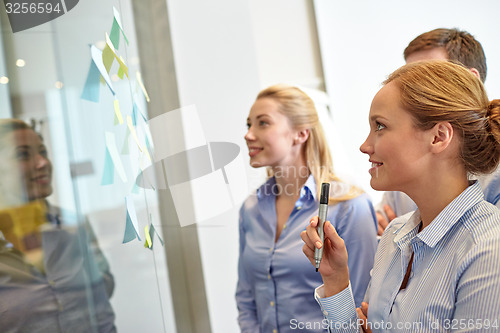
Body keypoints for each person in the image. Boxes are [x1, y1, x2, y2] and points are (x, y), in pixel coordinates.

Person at [302, 60, 500, 332]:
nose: (364, 145)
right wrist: (336, 279)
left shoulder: (488, 248)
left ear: (439, 137)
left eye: (380, 126)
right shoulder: (394, 236)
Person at [236, 84, 378, 332]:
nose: (248, 134)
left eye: (263, 123)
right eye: (249, 125)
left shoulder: (349, 207)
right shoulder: (250, 208)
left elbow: (362, 302)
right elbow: (247, 296)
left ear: (300, 134)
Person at [376, 28, 500, 236]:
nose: (412, 91)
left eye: (428, 78)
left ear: (470, 80)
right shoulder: (406, 160)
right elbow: (384, 220)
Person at [0, 119, 116, 332]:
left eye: (42, 151)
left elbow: (102, 300)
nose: (43, 162)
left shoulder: (73, 225)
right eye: (23, 155)